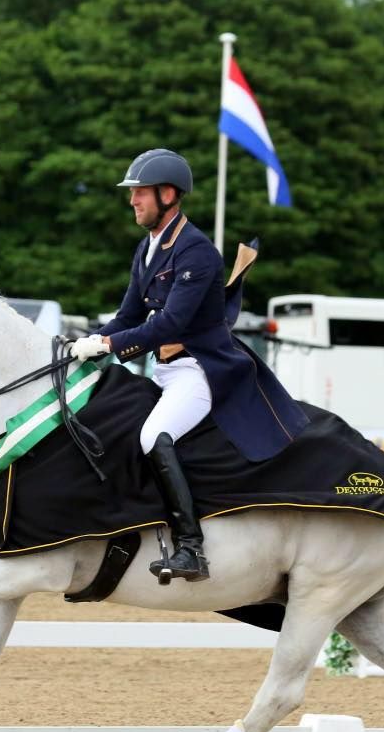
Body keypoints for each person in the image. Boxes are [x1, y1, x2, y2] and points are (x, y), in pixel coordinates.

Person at [71, 148, 310, 583]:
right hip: (162, 371)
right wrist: (87, 342)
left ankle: (190, 547)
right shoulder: (147, 248)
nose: (132, 201)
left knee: (152, 436)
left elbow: (171, 323)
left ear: (167, 194)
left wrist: (109, 343)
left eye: (140, 193)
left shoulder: (197, 251)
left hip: (198, 370)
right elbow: (127, 316)